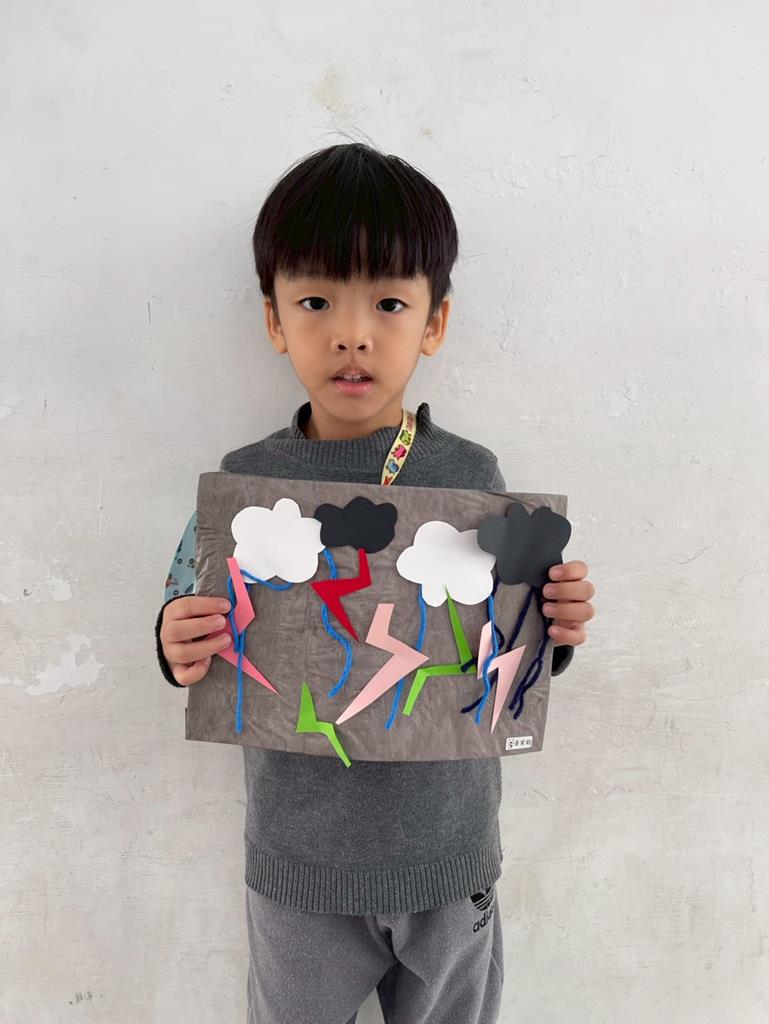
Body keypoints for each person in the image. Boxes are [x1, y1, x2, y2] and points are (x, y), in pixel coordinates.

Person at [155, 141, 595, 1024]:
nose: (351, 334)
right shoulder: (244, 486)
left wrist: (557, 627)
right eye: (315, 301)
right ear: (274, 320)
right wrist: (176, 643)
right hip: (296, 867)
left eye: (388, 303)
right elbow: (181, 611)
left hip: (448, 857)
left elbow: (508, 653)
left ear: (434, 322)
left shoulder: (471, 478)